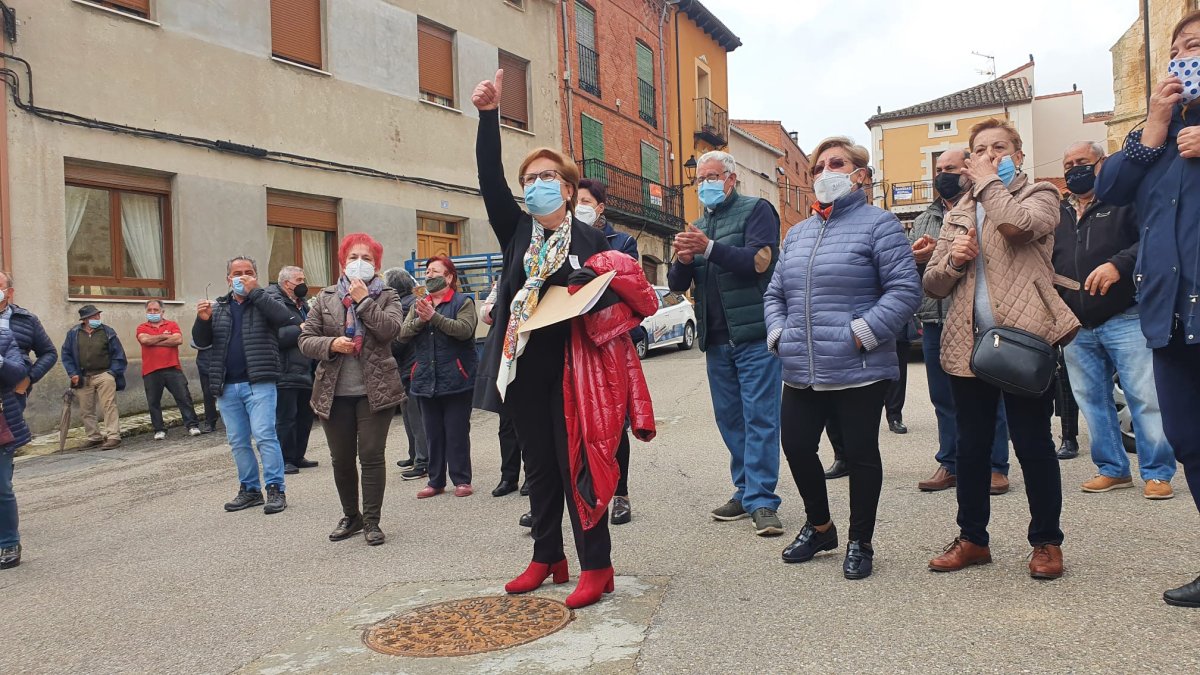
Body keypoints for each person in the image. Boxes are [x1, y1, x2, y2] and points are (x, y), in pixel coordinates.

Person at [472, 70, 657, 609]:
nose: (536, 185)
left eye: (547, 176)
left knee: (578, 465)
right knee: (541, 469)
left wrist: (587, 285)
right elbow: (487, 178)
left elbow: (617, 300)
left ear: (570, 189)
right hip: (523, 369)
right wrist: (489, 117)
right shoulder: (515, 230)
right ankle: (547, 556)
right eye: (529, 178)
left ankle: (597, 566)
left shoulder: (590, 236)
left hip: (575, 374)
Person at [924, 118, 1080, 580]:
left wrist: (988, 181)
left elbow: (1016, 226)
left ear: (1019, 154)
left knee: (1033, 444)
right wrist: (953, 259)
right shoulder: (959, 210)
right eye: (981, 149)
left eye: (999, 147)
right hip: (967, 342)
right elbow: (932, 283)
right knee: (971, 448)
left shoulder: (1041, 196)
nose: (990, 155)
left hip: (1025, 340)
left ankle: (1047, 543)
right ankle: (972, 539)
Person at [764, 136, 921, 580]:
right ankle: (820, 528)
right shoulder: (797, 234)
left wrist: (862, 333)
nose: (825, 172)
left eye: (837, 164)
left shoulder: (880, 225)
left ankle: (860, 540)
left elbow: (905, 290)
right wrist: (778, 333)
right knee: (795, 445)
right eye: (818, 167)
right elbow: (775, 293)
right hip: (801, 368)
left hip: (859, 368)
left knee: (860, 455)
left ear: (859, 175)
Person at [1095, 9, 1200, 607]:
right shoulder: (1157, 136)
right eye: (1180, 49)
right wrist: (1155, 124)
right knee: (1189, 443)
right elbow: (1108, 191)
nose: (1188, 56)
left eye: (1198, 47)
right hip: (1170, 316)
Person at [667, 149, 785, 537]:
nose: (705, 184)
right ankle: (745, 489)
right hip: (716, 340)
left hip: (752, 336)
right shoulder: (698, 224)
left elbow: (759, 262)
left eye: (712, 177)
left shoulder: (757, 210)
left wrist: (709, 248)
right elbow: (675, 286)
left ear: (731, 179)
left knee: (760, 418)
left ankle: (764, 501)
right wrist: (683, 258)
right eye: (700, 179)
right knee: (731, 420)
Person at [1054, 141, 1175, 498]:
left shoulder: (1124, 200)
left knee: (1144, 397)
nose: (1075, 169)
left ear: (1101, 164)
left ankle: (1157, 473)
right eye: (1069, 163)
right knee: (1092, 401)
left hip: (1124, 316)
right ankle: (1112, 469)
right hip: (1077, 323)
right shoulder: (1059, 211)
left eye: (1082, 162)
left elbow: (1151, 240)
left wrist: (1118, 265)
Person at [911, 150, 1012, 494]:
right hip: (934, 316)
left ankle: (996, 465)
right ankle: (950, 463)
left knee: (988, 396)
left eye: (950, 168)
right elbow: (918, 269)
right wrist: (919, 258)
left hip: (975, 318)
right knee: (942, 397)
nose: (943, 175)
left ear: (968, 171)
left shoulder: (982, 208)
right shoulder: (926, 217)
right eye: (939, 169)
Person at [300, 234, 405, 546]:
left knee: (371, 455)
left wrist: (363, 301)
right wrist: (331, 344)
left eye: (368, 258)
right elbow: (305, 339)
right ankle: (352, 515)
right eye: (354, 257)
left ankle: (372, 521)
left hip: (377, 391)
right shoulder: (325, 297)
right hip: (333, 393)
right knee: (341, 459)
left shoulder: (387, 295)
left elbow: (390, 331)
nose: (360, 263)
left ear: (377, 264)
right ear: (343, 262)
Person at [193, 256, 298, 515]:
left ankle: (275, 488)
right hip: (227, 386)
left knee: (264, 435)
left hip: (259, 382)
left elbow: (284, 318)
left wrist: (256, 293)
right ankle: (250, 490)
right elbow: (201, 341)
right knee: (238, 441)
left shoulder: (265, 302)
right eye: (237, 273)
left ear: (256, 276)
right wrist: (202, 320)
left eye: (248, 272)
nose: (242, 277)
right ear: (228, 279)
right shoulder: (218, 308)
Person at [577, 178, 639, 525]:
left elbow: (628, 286)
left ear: (600, 207)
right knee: (575, 422)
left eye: (586, 201)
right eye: (576, 201)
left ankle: (621, 494)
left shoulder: (622, 242)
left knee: (614, 424)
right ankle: (581, 491)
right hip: (571, 340)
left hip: (609, 339)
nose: (579, 207)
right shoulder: (562, 239)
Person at [400, 256, 478, 499]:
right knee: (432, 432)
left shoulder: (462, 302)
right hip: (424, 377)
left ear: (449, 277)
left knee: (456, 432)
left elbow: (464, 331)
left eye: (435, 272)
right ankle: (435, 481)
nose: (429, 276)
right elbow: (402, 334)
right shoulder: (418, 304)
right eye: (427, 272)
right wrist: (420, 320)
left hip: (456, 376)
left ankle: (462, 479)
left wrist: (434, 317)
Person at [479, 279, 526, 499]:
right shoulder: (501, 281)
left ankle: (532, 476)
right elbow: (485, 312)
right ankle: (508, 476)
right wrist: (496, 310)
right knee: (506, 422)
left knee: (528, 424)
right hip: (503, 355)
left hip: (526, 351)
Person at [271, 266, 318, 475]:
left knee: (305, 416)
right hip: (285, 369)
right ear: (286, 283)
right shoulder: (274, 303)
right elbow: (275, 336)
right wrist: (300, 329)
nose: (303, 283)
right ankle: (285, 458)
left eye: (303, 278)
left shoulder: (303, 305)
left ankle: (298, 455)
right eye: (299, 279)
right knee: (286, 417)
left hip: (306, 368)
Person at [384, 267, 429, 481]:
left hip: (412, 366)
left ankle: (423, 461)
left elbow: (398, 340)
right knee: (409, 413)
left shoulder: (404, 306)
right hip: (407, 366)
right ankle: (414, 455)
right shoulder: (409, 302)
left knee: (415, 415)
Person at [61, 306, 127, 451]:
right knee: (86, 409)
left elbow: (119, 354)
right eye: (93, 317)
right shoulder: (73, 333)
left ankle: (113, 436)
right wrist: (73, 373)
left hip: (104, 374)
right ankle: (94, 437)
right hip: (83, 376)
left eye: (98, 316)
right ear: (84, 320)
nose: (97, 319)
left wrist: (113, 373)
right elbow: (66, 355)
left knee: (109, 405)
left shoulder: (107, 332)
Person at [137, 300, 201, 440]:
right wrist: (165, 337)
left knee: (184, 398)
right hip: (151, 370)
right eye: (150, 310)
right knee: (153, 402)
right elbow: (145, 341)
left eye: (156, 310)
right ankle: (159, 429)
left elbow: (178, 340)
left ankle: (192, 425)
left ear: (162, 311)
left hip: (173, 368)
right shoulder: (142, 327)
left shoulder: (172, 324)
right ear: (146, 312)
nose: (153, 313)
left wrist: (155, 341)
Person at [0, 270, 57, 412]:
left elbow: (49, 353)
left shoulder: (26, 320)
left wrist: (28, 379)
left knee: (10, 434)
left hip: (10, 395)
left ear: (9, 292)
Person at [0, 329, 31, 569]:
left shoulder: (4, 337)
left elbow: (20, 372)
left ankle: (8, 542)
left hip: (2, 424)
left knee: (1, 487)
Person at [192, 340, 220, 433]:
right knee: (208, 394)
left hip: (222, 359)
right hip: (205, 362)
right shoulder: (202, 325)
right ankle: (210, 422)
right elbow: (195, 343)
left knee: (230, 390)